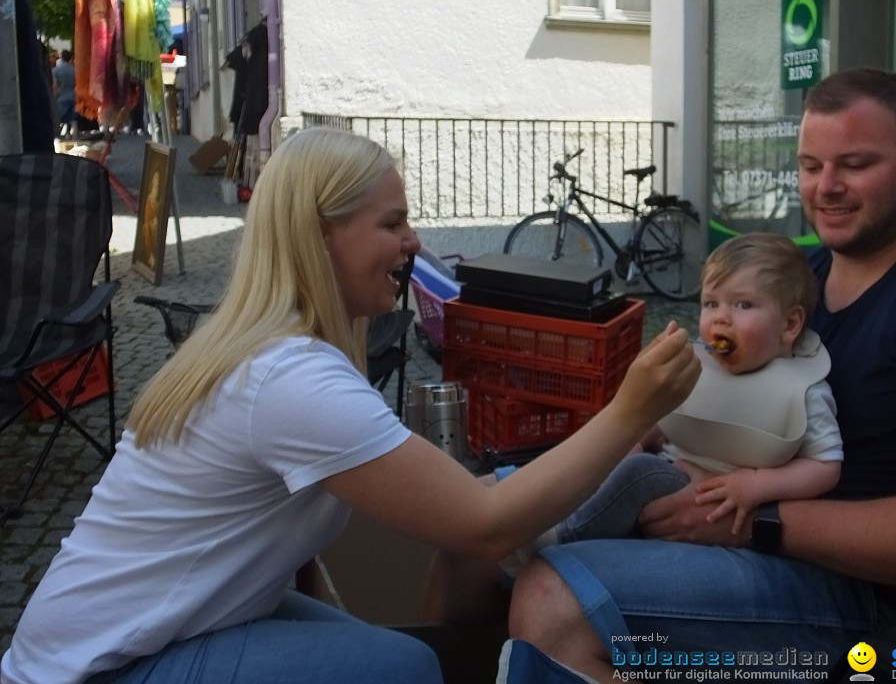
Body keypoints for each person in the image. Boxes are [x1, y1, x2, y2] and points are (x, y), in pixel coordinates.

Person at [0, 127, 701, 684]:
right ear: (320, 236)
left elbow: (438, 495)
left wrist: (596, 441)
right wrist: (629, 411)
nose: (413, 242)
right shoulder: (290, 381)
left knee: (374, 649)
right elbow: (483, 526)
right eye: (392, 223)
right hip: (99, 668)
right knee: (404, 667)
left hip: (108, 640)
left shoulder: (265, 351)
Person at [505, 68, 896, 680]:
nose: (827, 187)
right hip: (713, 503)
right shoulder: (788, 278)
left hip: (866, 598)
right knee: (482, 533)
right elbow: (702, 383)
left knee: (552, 601)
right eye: (811, 165)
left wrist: (751, 523)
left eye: (855, 164)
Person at [508, 232, 841, 567]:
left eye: (743, 304)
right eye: (711, 303)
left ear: (790, 324)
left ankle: (554, 541)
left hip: (703, 499)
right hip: (669, 468)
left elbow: (826, 466)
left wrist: (757, 485)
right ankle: (543, 516)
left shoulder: (805, 390)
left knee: (638, 472)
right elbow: (661, 419)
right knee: (617, 458)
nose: (720, 318)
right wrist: (629, 443)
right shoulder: (696, 366)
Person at [52, 50, 77, 139]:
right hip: (73, 96)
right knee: (73, 118)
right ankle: (73, 135)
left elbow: (55, 85)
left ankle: (58, 136)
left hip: (61, 97)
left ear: (61, 58)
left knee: (60, 117)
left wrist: (54, 96)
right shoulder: (74, 70)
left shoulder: (56, 70)